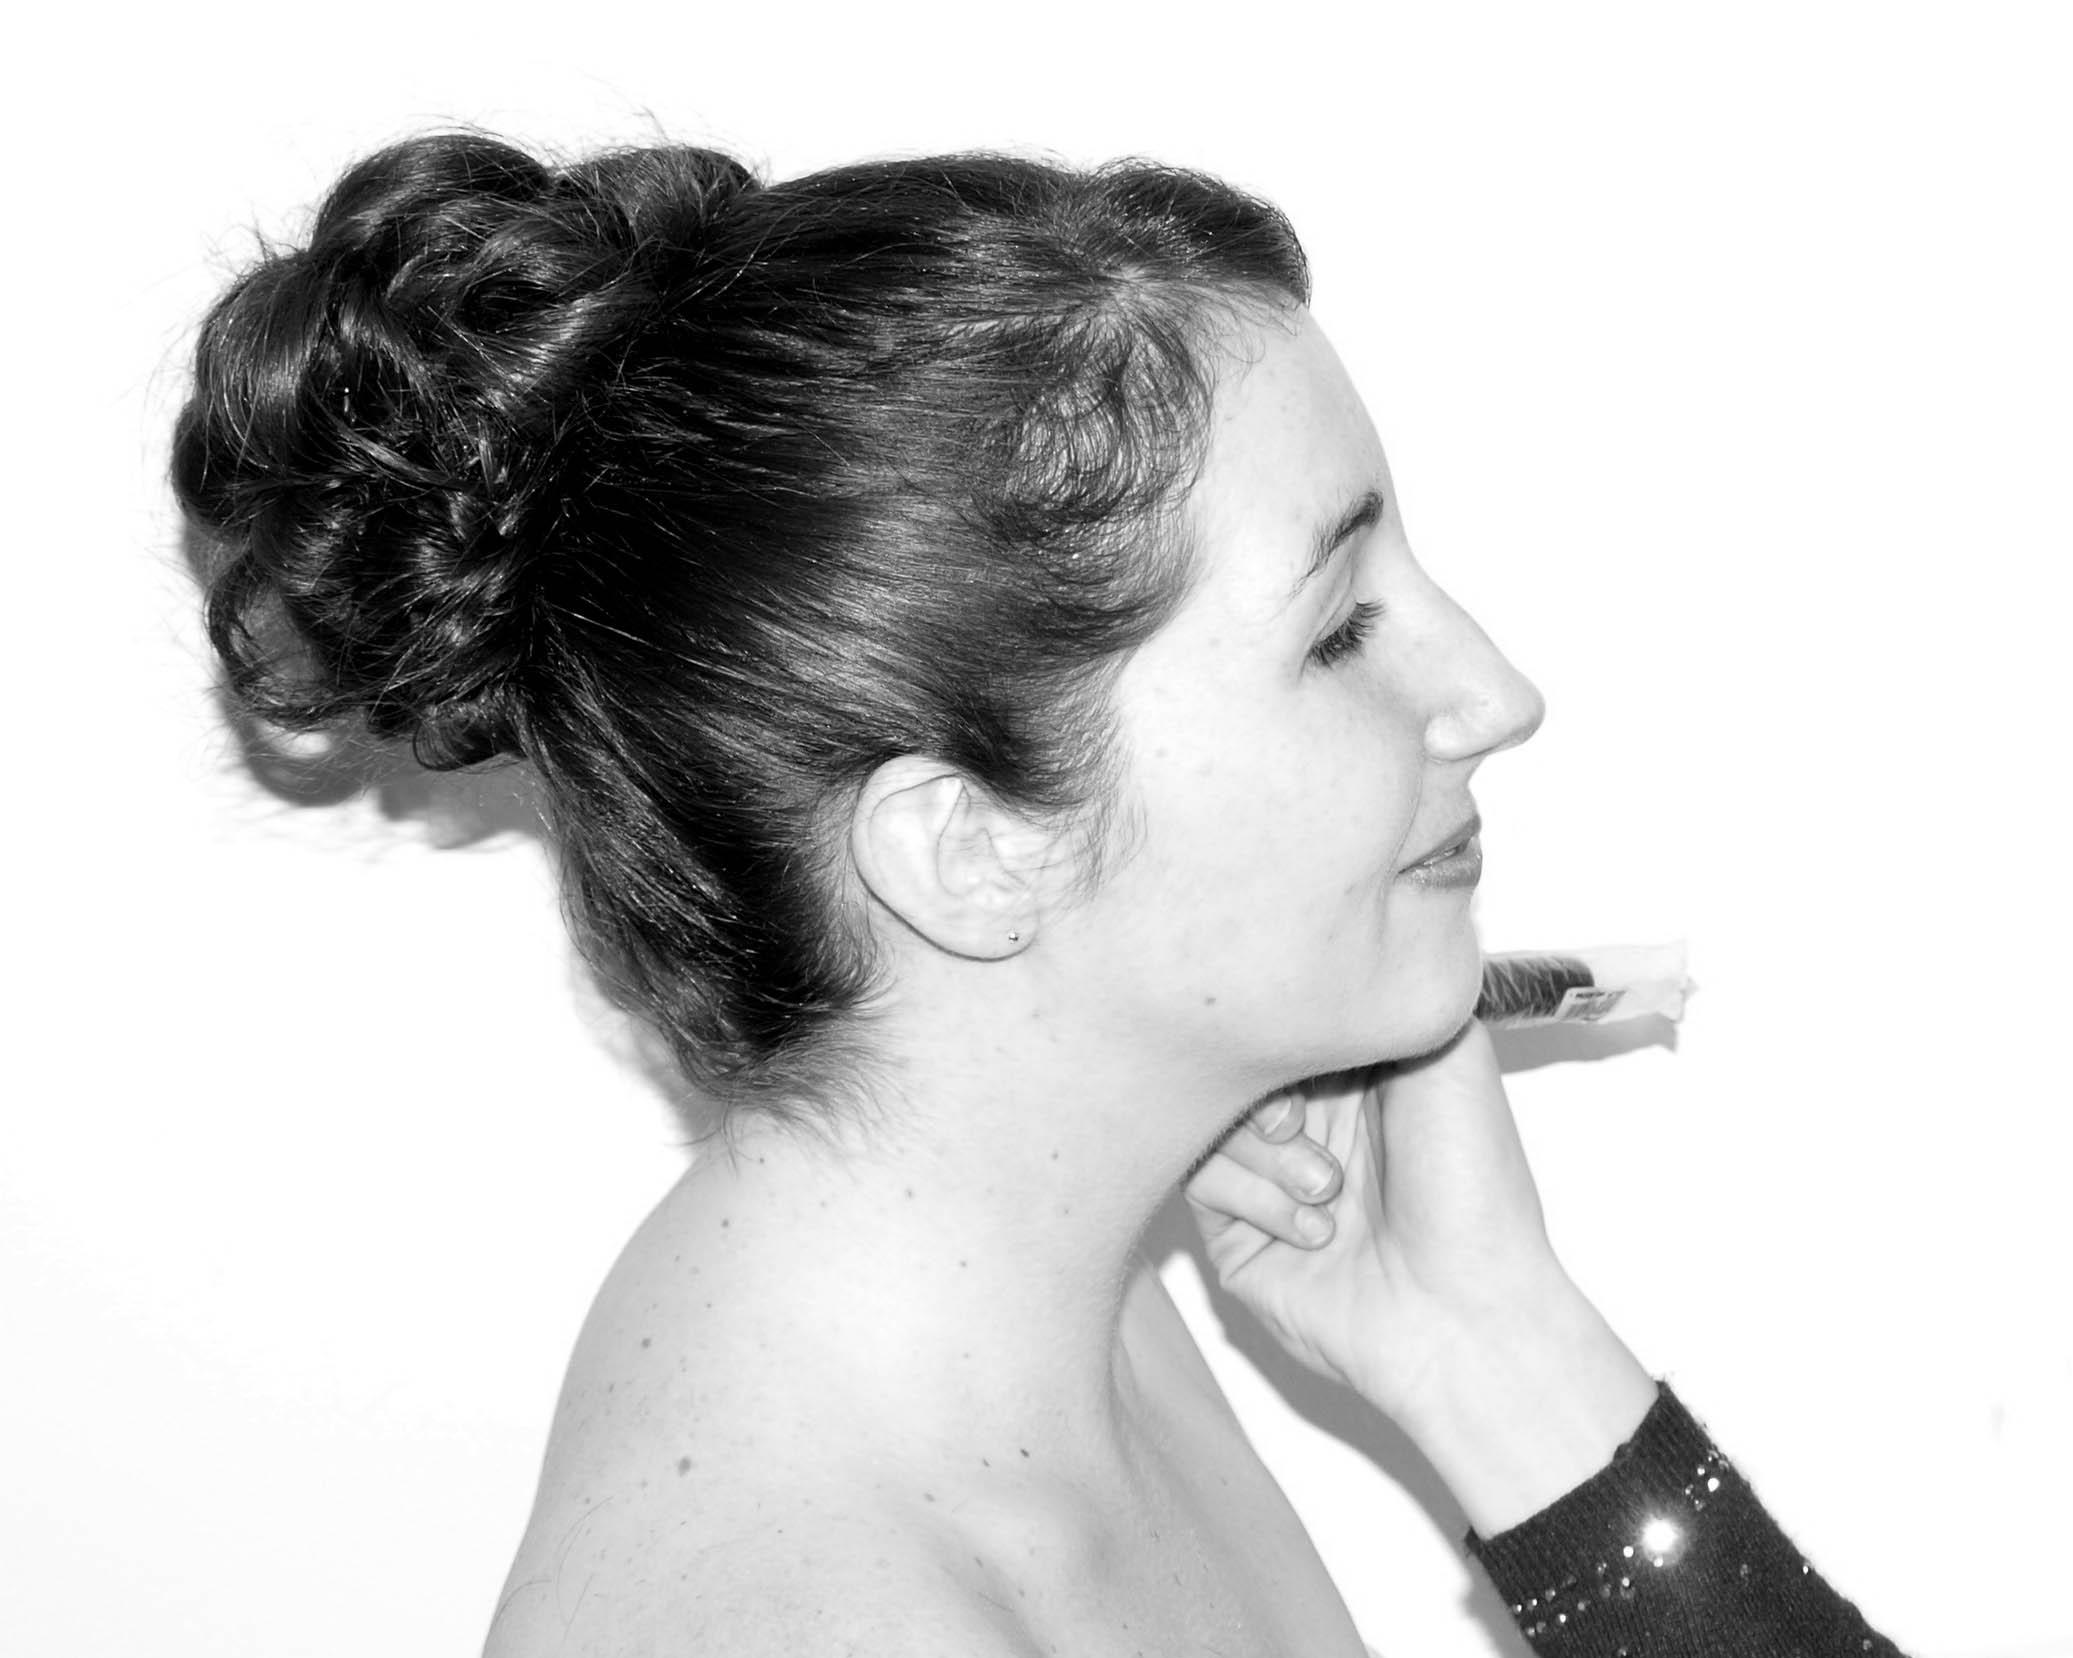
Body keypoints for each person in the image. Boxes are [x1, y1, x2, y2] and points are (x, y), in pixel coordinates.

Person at [172, 133, 1906, 1657]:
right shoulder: (824, 1610)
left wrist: (1493, 1354)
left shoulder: (1050, 1323)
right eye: (1337, 630)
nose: (1493, 694)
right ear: (970, 848)